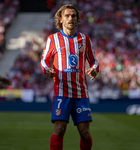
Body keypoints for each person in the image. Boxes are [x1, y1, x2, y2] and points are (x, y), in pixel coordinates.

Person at [40, 4, 99, 150]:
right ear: (60, 19)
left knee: (85, 132)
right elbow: (44, 61)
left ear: (77, 19)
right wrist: (47, 70)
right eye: (67, 15)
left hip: (81, 92)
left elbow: (94, 61)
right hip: (62, 92)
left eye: (73, 15)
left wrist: (94, 69)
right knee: (59, 129)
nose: (71, 18)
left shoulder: (84, 39)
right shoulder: (53, 39)